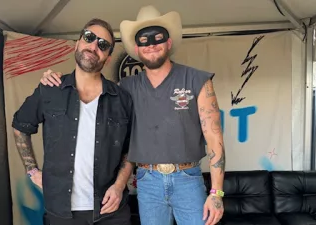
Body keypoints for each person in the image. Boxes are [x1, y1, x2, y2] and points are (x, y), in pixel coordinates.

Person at [40, 5, 226, 225]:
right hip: (147, 180)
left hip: (188, 178)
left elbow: (214, 137)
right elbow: (88, 86)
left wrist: (217, 193)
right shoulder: (125, 88)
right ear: (137, 49)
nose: (151, 45)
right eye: (144, 40)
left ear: (169, 42)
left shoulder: (197, 80)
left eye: (158, 37)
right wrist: (56, 80)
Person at [12, 18, 134, 225]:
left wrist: (119, 185)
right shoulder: (50, 89)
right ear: (77, 43)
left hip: (110, 210)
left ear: (109, 57)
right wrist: (32, 171)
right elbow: (21, 126)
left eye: (103, 45)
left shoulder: (122, 99)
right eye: (89, 38)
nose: (94, 46)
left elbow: (131, 148)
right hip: (61, 211)